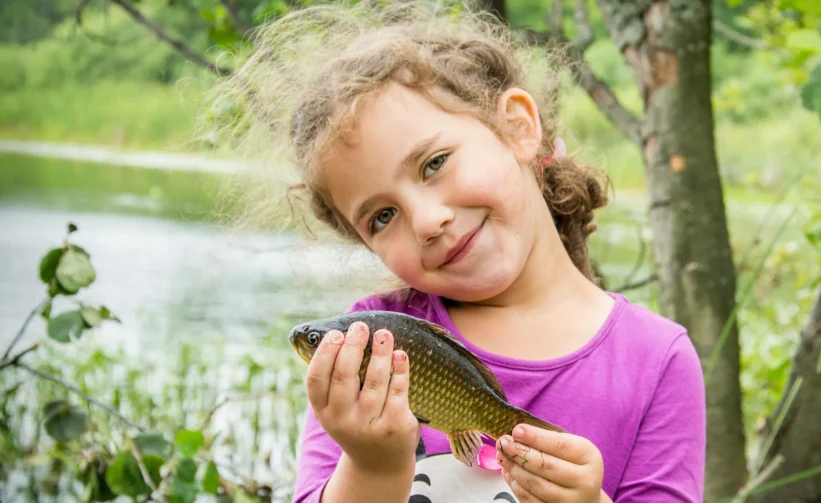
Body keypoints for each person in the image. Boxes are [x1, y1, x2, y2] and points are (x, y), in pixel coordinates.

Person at [208, 2, 705, 501]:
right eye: (382, 217)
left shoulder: (657, 362)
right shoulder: (366, 346)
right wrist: (372, 468)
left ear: (517, 127)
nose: (426, 222)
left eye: (434, 164)